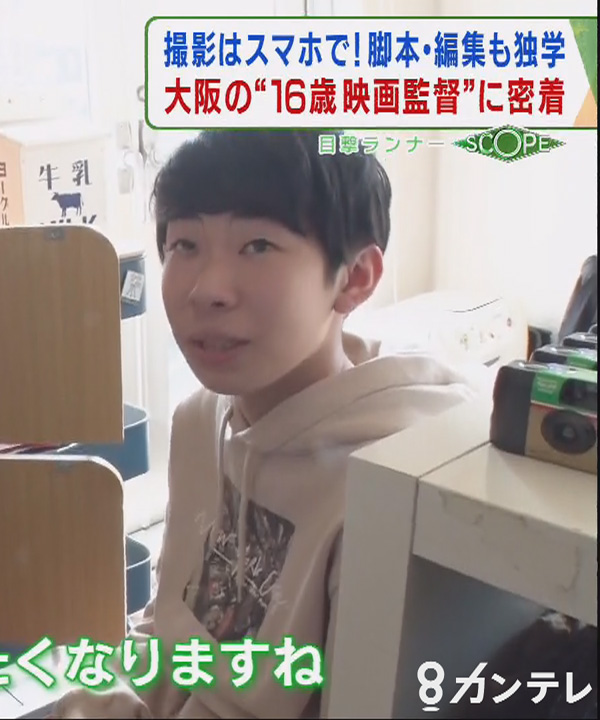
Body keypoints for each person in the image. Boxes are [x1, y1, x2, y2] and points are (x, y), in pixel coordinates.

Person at [50, 130, 486, 718]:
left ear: (355, 277)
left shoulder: (397, 480)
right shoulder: (200, 420)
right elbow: (171, 627)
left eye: (257, 245)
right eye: (184, 244)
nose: (207, 289)